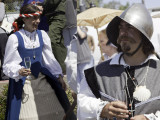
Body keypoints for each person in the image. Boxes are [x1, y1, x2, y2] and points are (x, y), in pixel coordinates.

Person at [77, 3, 160, 120]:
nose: (122, 33)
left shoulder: (158, 70)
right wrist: (102, 109)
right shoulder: (97, 73)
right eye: (121, 27)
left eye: (129, 27)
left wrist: (150, 118)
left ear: (143, 34)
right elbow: (82, 104)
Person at [3, 4, 74, 120]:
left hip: (42, 78)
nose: (37, 21)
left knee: (57, 111)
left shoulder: (43, 35)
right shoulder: (15, 38)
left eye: (38, 18)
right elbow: (7, 64)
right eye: (34, 18)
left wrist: (58, 75)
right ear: (24, 19)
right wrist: (19, 70)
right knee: (29, 115)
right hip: (24, 82)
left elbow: (49, 58)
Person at [0, 1, 9, 80]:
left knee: (4, 54)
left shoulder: (1, 4)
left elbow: (0, 17)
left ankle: (4, 75)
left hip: (1, 33)